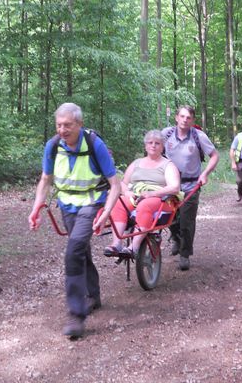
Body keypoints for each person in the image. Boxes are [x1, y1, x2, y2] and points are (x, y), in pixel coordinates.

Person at [28, 103, 120, 339]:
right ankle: (93, 295)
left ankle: (77, 315)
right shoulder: (52, 146)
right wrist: (37, 205)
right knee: (81, 250)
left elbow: (115, 184)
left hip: (91, 204)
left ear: (79, 123)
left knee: (73, 251)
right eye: (59, 124)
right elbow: (46, 179)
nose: (62, 129)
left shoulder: (94, 144)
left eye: (67, 125)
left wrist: (107, 212)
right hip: (67, 206)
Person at [104, 130, 181, 257]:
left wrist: (152, 194)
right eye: (150, 142)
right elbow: (123, 182)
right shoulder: (136, 163)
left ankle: (133, 247)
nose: (153, 145)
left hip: (161, 199)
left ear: (162, 147)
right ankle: (116, 243)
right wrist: (127, 192)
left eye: (157, 143)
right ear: (145, 146)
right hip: (136, 196)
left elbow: (175, 187)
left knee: (145, 204)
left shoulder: (168, 165)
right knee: (118, 202)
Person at [162, 106, 219, 271]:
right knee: (168, 218)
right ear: (176, 117)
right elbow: (154, 151)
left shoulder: (198, 136)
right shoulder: (166, 134)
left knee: (186, 221)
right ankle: (177, 240)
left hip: (191, 185)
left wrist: (205, 173)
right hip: (170, 186)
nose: (185, 120)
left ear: (192, 120)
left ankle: (185, 254)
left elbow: (214, 155)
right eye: (182, 116)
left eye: (188, 117)